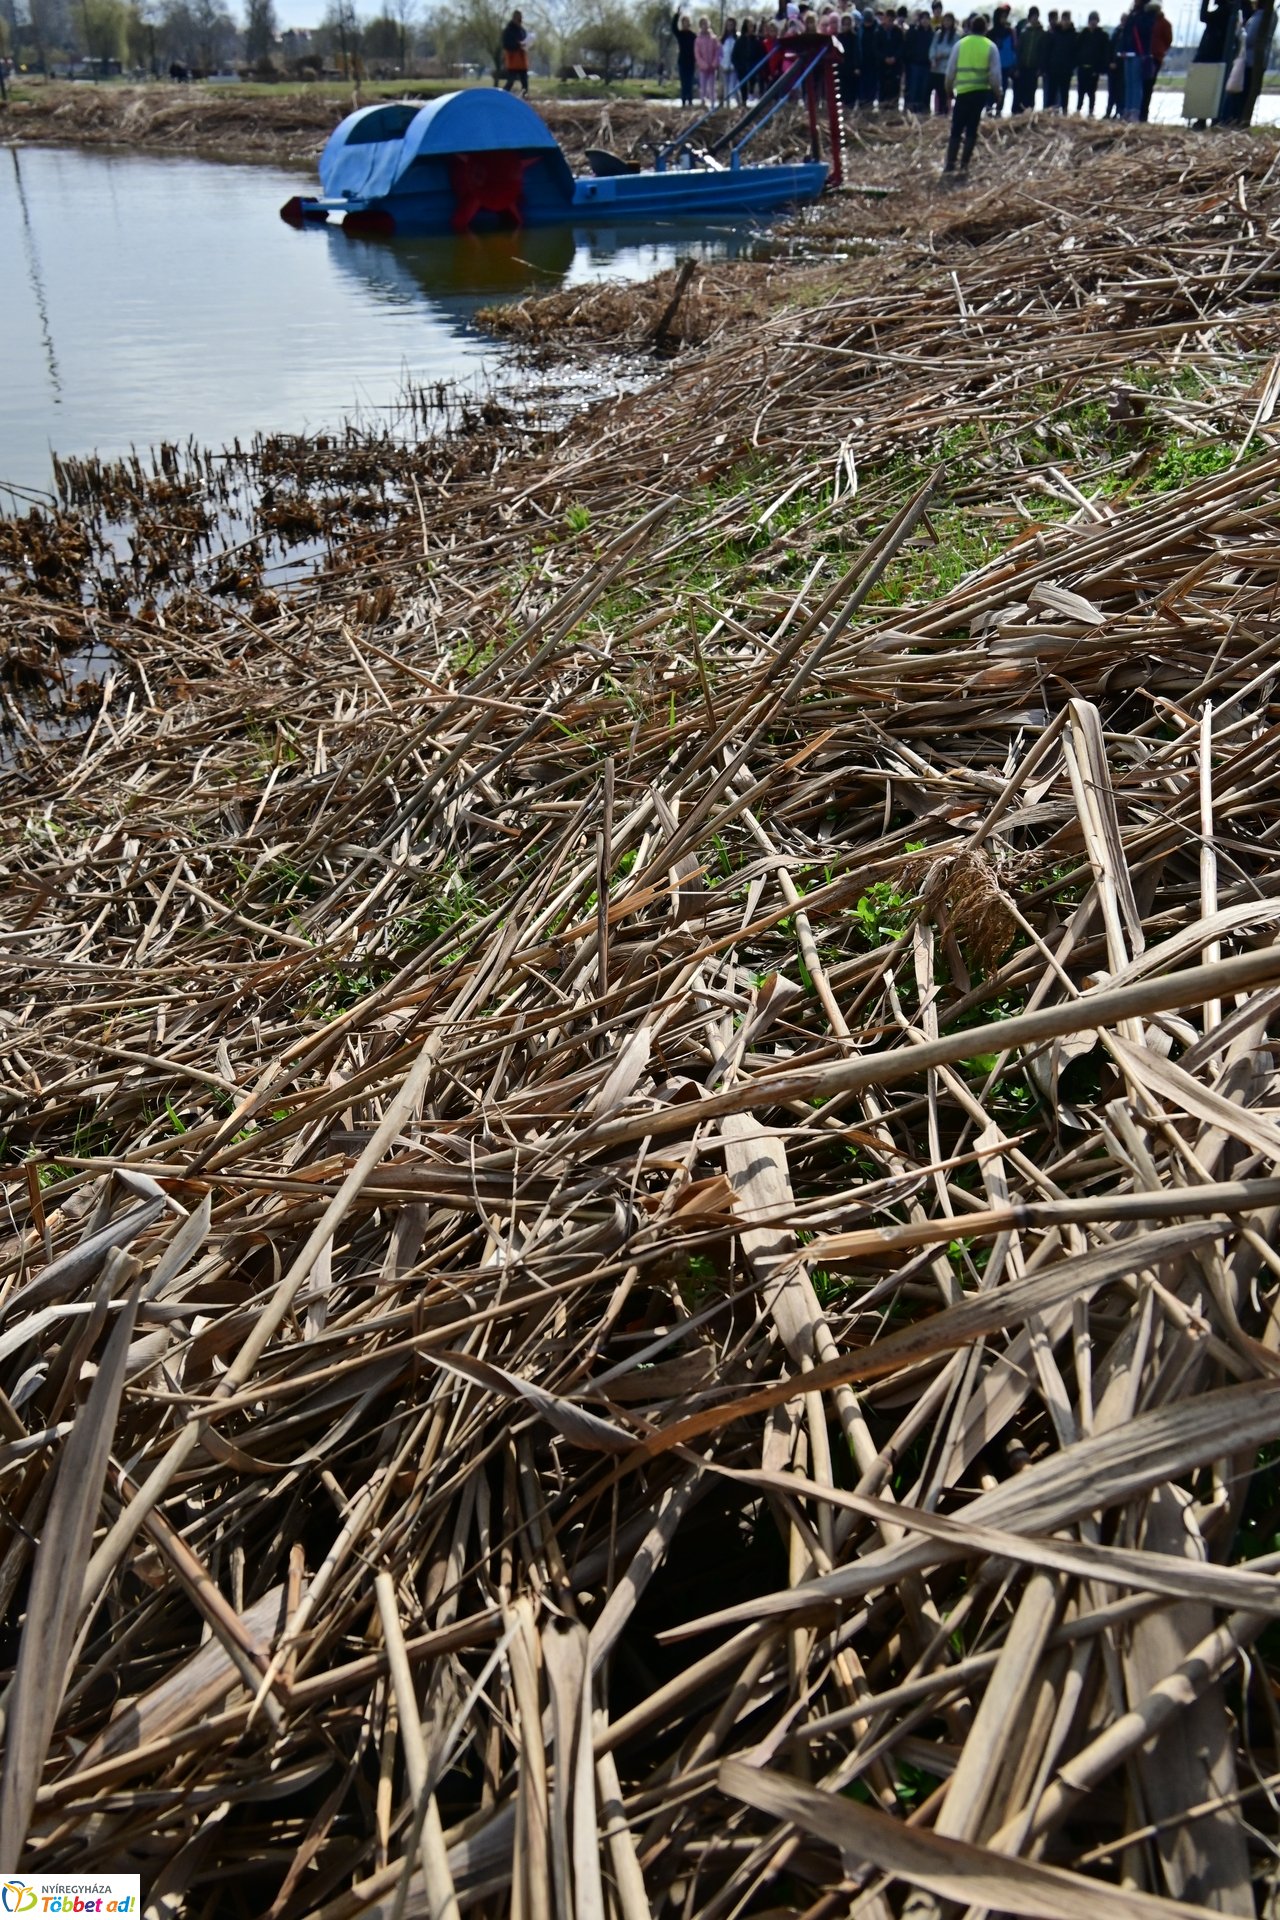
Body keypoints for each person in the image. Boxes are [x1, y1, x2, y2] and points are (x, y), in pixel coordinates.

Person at [944, 9, 1000, 167]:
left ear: (970, 27)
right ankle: (964, 164)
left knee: (956, 128)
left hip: (962, 93)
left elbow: (950, 72)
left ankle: (950, 164)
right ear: (986, 28)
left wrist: (948, 90)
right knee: (972, 128)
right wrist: (998, 94)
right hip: (980, 94)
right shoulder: (991, 47)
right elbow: (995, 76)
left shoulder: (960, 44)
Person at [1075, 8, 1108, 109]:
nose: (1093, 22)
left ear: (1098, 21)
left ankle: (1090, 111)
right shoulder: (1083, 34)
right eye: (1091, 20)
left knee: (1091, 92)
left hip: (1094, 69)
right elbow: (1077, 49)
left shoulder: (1102, 35)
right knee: (1080, 91)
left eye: (1095, 20)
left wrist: (1100, 68)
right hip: (1082, 67)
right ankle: (1078, 110)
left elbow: (1104, 53)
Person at [1042, 7, 1075, 105]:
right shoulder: (1054, 33)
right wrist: (1045, 67)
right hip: (1053, 69)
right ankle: (1048, 114)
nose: (1065, 22)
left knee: (1064, 94)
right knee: (1051, 94)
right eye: (1064, 19)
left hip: (1066, 70)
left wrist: (1072, 66)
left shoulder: (1073, 34)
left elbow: (1075, 52)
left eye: (1067, 19)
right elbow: (1047, 51)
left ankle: (1064, 114)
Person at [1014, 4, 1044, 107]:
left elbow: (1042, 52)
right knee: (1021, 92)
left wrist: (1040, 68)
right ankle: (1020, 114)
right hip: (1023, 67)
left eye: (1036, 16)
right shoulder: (1024, 33)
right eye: (1032, 16)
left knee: (1031, 93)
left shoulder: (1041, 33)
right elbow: (1019, 51)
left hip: (1034, 68)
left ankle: (1029, 112)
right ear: (1029, 18)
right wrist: (1017, 67)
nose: (1034, 19)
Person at [987, 3, 1015, 109]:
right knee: (990, 91)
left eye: (1005, 17)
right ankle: (989, 110)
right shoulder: (991, 33)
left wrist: (1013, 64)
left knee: (1003, 90)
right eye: (1002, 17)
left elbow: (1013, 49)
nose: (1004, 19)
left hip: (1006, 67)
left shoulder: (1010, 32)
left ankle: (999, 111)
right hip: (993, 67)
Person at [930, 8, 958, 107]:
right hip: (936, 68)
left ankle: (946, 112)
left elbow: (954, 50)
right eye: (945, 20)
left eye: (949, 20)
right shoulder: (938, 34)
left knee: (946, 92)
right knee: (938, 91)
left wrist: (943, 54)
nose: (947, 22)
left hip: (947, 68)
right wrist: (933, 58)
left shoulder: (956, 35)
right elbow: (933, 47)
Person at [905, 7, 934, 103]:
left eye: (927, 18)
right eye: (923, 18)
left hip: (927, 65)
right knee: (914, 88)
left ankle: (922, 110)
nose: (925, 21)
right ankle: (912, 109)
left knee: (924, 89)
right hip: (915, 64)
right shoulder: (914, 31)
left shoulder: (932, 34)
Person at [672, 10, 698, 103]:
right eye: (684, 22)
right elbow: (673, 28)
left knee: (690, 82)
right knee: (683, 82)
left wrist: (697, 61)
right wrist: (677, 15)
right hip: (682, 61)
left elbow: (697, 49)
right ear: (682, 23)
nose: (685, 24)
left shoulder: (693, 35)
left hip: (691, 61)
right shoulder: (680, 34)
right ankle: (683, 101)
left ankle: (690, 100)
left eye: (687, 22)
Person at [500, 9, 528, 91]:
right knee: (510, 82)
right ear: (514, 18)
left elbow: (525, 42)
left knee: (525, 83)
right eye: (519, 19)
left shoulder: (523, 31)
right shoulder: (508, 31)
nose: (520, 21)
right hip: (513, 60)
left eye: (521, 19)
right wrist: (518, 45)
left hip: (522, 60)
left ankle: (524, 100)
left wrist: (528, 45)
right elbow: (506, 45)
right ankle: (502, 97)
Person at [694, 15, 721, 102]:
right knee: (703, 87)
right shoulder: (698, 39)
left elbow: (717, 51)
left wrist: (714, 63)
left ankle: (713, 105)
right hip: (703, 68)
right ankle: (703, 103)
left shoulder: (713, 38)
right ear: (700, 26)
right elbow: (697, 54)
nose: (705, 26)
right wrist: (703, 65)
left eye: (706, 24)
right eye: (703, 24)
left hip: (712, 68)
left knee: (712, 87)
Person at [721, 16, 740, 98]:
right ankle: (726, 106)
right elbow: (720, 53)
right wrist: (722, 64)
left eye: (731, 24)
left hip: (734, 66)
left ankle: (738, 103)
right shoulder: (722, 39)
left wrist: (734, 64)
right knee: (726, 87)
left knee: (734, 86)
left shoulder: (737, 38)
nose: (730, 26)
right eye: (728, 24)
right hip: (724, 66)